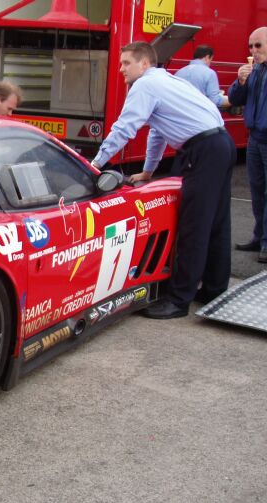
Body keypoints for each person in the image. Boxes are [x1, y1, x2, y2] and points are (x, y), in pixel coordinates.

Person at [90, 41, 236, 319]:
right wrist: (148, 171)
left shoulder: (144, 85)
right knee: (217, 222)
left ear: (144, 64)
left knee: (193, 226)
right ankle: (215, 289)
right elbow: (157, 132)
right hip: (220, 143)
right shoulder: (166, 81)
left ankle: (179, 300)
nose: (121, 69)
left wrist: (96, 163)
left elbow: (125, 127)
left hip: (203, 150)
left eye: (126, 63)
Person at [228, 26, 267, 263]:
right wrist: (240, 82)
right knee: (257, 190)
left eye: (258, 45)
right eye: (250, 46)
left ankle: (265, 243)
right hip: (255, 138)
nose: (253, 50)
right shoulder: (254, 71)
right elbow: (234, 99)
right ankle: (259, 236)